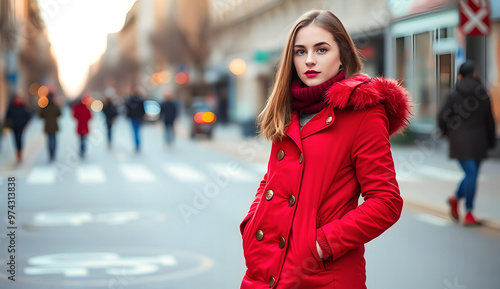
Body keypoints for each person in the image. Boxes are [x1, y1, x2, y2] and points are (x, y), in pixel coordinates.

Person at [239, 10, 411, 289]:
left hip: (323, 276)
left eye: (321, 49)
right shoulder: (287, 111)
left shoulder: (363, 114)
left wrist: (321, 245)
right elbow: (271, 181)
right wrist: (252, 223)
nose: (309, 60)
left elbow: (386, 201)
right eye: (300, 51)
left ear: (342, 54)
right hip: (266, 267)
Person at [438, 60, 496, 226]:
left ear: (460, 76)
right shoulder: (483, 93)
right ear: (475, 74)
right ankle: (469, 212)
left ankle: (455, 199)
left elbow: (442, 117)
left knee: (471, 175)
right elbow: (489, 120)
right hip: (480, 141)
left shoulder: (453, 94)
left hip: (459, 142)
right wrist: (491, 142)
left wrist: (447, 132)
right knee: (472, 175)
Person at [5, 94, 32, 162]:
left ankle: (20, 152)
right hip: (14, 126)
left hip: (21, 126)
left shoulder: (24, 106)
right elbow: (7, 116)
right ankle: (17, 151)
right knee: (15, 139)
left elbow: (28, 115)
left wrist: (26, 124)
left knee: (19, 138)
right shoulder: (11, 107)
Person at [39, 92, 62, 162]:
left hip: (47, 126)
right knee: (54, 140)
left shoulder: (45, 106)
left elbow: (40, 115)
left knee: (49, 140)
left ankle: (50, 153)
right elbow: (59, 113)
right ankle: (53, 153)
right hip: (54, 125)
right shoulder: (55, 105)